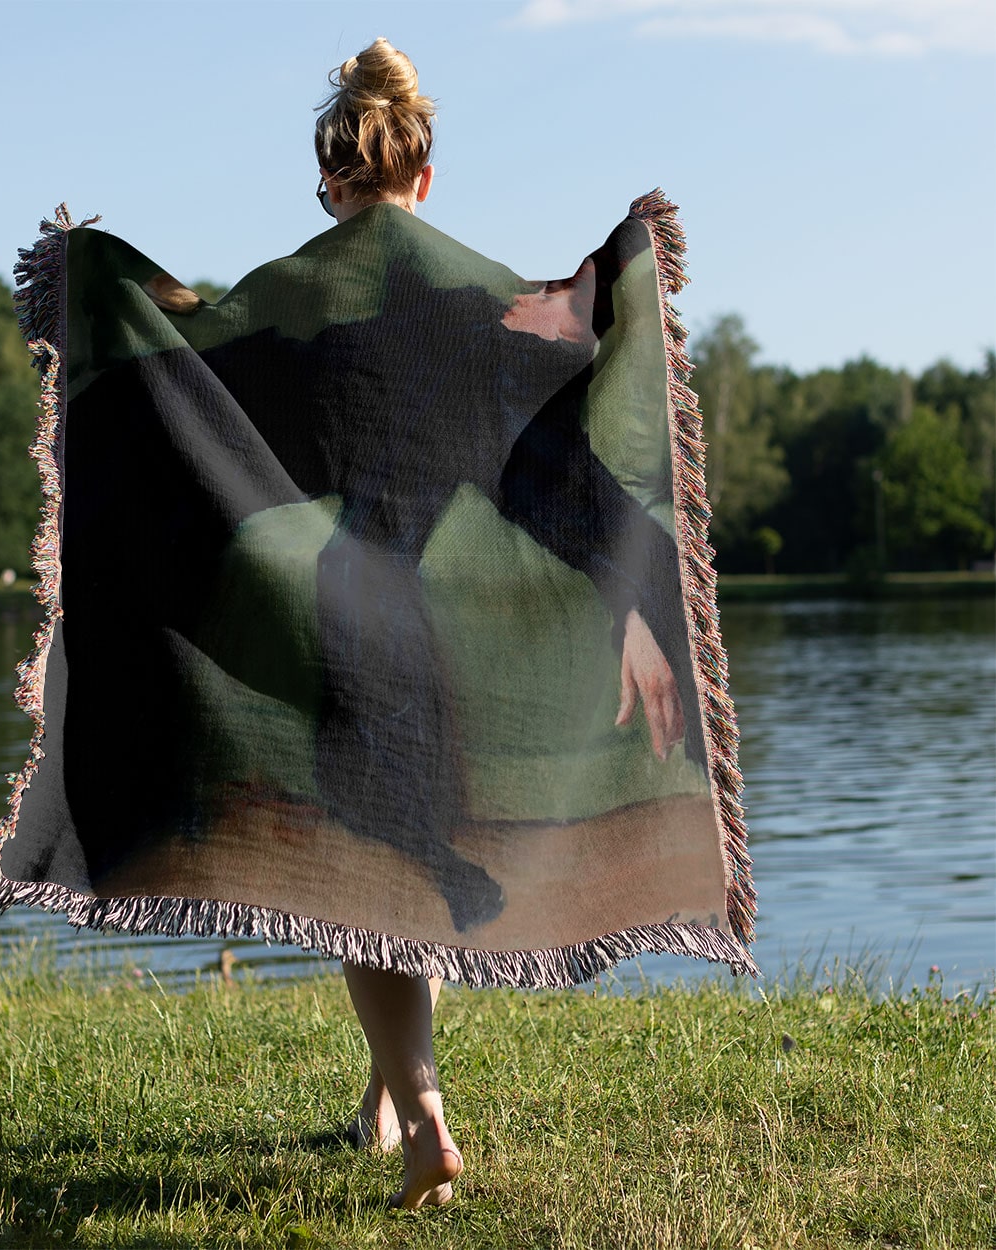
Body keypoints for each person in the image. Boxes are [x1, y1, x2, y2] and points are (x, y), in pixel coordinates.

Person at [305, 37, 687, 1210]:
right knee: (405, 863)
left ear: (331, 187)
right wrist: (625, 604)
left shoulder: (303, 312)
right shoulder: (476, 323)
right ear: (425, 180)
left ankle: (416, 1110)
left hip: (338, 615)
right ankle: (386, 1100)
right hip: (431, 629)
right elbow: (546, 468)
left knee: (371, 877)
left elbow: (192, 408)